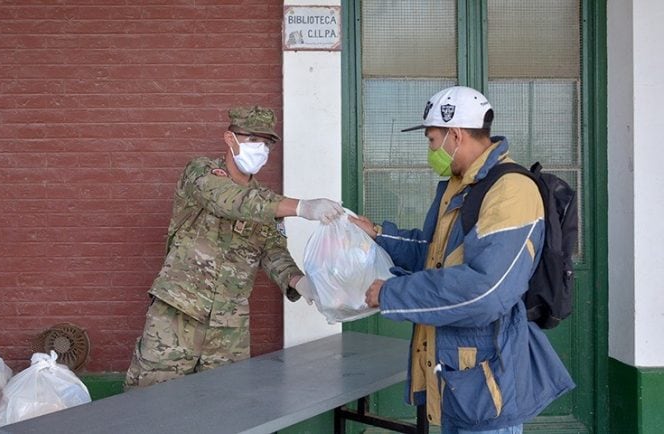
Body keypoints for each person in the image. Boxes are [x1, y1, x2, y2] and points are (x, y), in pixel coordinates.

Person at [349, 86, 575, 434]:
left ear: (455, 135)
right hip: (455, 372)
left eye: (432, 139)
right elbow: (433, 253)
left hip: (487, 378)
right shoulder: (461, 184)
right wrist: (378, 234)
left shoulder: (510, 191)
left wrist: (393, 293)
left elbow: (486, 291)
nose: (431, 150)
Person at [124, 105, 339, 389]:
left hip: (229, 326)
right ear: (230, 138)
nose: (260, 149)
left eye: (266, 143)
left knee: (225, 407)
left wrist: (299, 282)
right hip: (178, 314)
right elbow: (230, 200)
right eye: (252, 140)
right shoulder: (200, 173)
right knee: (153, 399)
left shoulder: (266, 199)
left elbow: (273, 250)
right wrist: (300, 207)